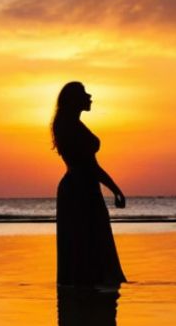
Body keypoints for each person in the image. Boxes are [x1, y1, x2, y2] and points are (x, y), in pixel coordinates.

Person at [52, 81, 127, 289]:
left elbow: (90, 166)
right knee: (87, 241)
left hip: (81, 188)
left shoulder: (70, 125)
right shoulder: (70, 127)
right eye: (84, 93)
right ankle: (88, 290)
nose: (90, 96)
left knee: (86, 242)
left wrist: (113, 188)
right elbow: (90, 165)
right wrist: (115, 189)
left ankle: (86, 287)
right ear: (75, 100)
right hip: (80, 191)